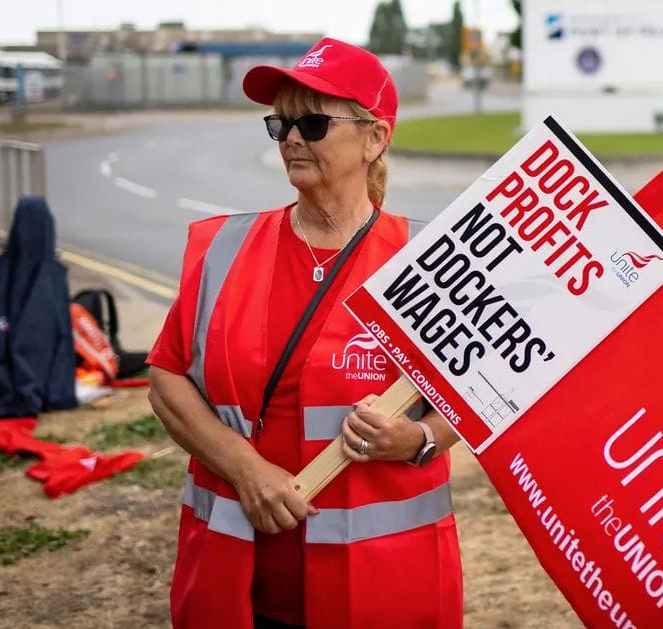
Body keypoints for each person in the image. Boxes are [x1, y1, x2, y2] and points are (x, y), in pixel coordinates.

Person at [147, 38, 463, 628]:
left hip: (382, 588)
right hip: (233, 581)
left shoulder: (427, 260)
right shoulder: (224, 249)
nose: (292, 138)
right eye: (281, 124)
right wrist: (245, 470)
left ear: (375, 139)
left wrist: (415, 440)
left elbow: (476, 397)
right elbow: (167, 376)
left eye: (313, 123)